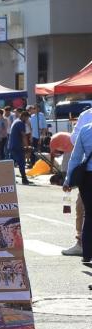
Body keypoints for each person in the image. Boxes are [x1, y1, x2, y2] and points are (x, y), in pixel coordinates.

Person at [63, 107, 92, 256]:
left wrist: (68, 180)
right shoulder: (85, 116)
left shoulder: (85, 125)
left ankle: (84, 249)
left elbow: (75, 157)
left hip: (87, 176)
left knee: (87, 213)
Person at [7, 109, 31, 185]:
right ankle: (24, 179)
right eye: (27, 118)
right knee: (21, 162)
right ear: (23, 116)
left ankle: (9, 179)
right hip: (17, 146)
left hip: (12, 145)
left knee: (11, 163)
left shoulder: (16, 121)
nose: (27, 120)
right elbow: (23, 136)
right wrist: (27, 146)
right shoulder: (21, 123)